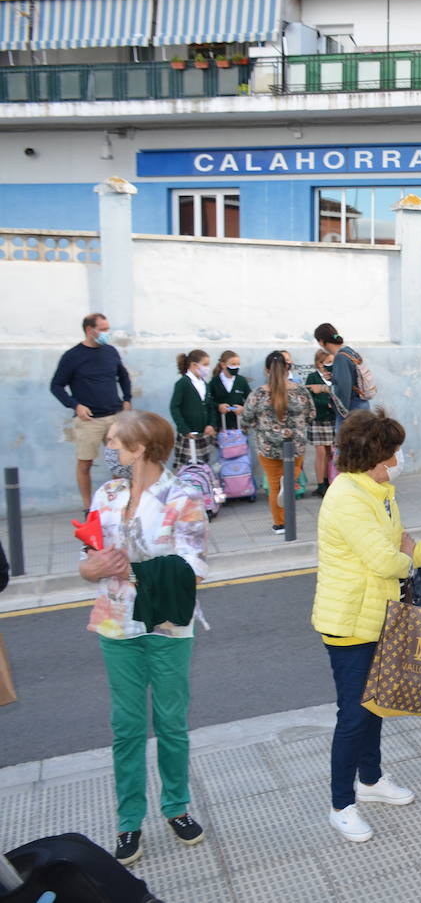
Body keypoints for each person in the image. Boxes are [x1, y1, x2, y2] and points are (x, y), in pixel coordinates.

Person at [312, 409, 421, 843]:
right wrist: (419, 549)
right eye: (393, 454)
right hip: (350, 621)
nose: (398, 460)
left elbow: (403, 546)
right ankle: (340, 804)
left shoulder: (379, 489)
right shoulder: (347, 497)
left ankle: (370, 780)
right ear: (374, 458)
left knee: (375, 702)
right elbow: (388, 559)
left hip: (378, 615)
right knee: (353, 714)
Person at [78, 410, 208, 866]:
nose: (108, 449)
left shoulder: (182, 496)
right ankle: (128, 820)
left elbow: (194, 566)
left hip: (168, 626)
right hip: (116, 622)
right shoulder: (107, 493)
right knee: (126, 727)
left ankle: (176, 808)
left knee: (172, 724)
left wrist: (133, 569)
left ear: (141, 448)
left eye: (115, 442)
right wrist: (90, 567)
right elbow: (87, 556)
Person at [49, 313, 133, 510]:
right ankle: (89, 508)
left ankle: (118, 504)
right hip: (89, 420)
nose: (107, 333)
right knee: (85, 464)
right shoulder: (72, 356)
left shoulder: (111, 351)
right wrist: (75, 405)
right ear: (89, 330)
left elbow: (123, 376)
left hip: (115, 416)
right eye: (103, 329)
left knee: (120, 463)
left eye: (107, 328)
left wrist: (127, 399)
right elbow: (56, 386)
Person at [240, 352, 315, 535]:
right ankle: (289, 481)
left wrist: (258, 425)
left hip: (268, 447)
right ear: (287, 368)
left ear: (267, 370)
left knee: (274, 485)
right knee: (290, 478)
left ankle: (280, 524)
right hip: (295, 446)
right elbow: (311, 415)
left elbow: (246, 419)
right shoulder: (300, 391)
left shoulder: (258, 394)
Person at [168, 350, 216, 469]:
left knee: (202, 469)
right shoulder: (182, 383)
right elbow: (174, 407)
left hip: (203, 434)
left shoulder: (205, 384)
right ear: (194, 365)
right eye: (205, 365)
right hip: (188, 435)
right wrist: (184, 429)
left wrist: (211, 424)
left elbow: (210, 407)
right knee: (187, 469)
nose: (207, 368)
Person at [313, 323, 371, 420]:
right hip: (362, 406)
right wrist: (334, 377)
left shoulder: (340, 357)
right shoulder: (349, 351)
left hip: (353, 409)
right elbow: (352, 380)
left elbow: (343, 390)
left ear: (322, 342)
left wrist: (322, 388)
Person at [303, 350, 338, 497]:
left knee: (331, 452)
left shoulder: (334, 376)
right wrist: (327, 403)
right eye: (328, 362)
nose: (331, 365)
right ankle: (320, 484)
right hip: (318, 420)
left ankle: (329, 479)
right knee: (321, 452)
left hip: (333, 420)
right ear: (319, 363)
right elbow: (309, 398)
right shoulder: (312, 377)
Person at [208, 350, 250, 431]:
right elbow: (208, 401)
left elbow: (250, 400)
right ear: (223, 365)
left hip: (238, 425)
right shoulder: (214, 382)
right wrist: (218, 406)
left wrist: (243, 408)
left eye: (238, 364)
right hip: (220, 425)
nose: (236, 367)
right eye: (233, 364)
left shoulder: (241, 381)